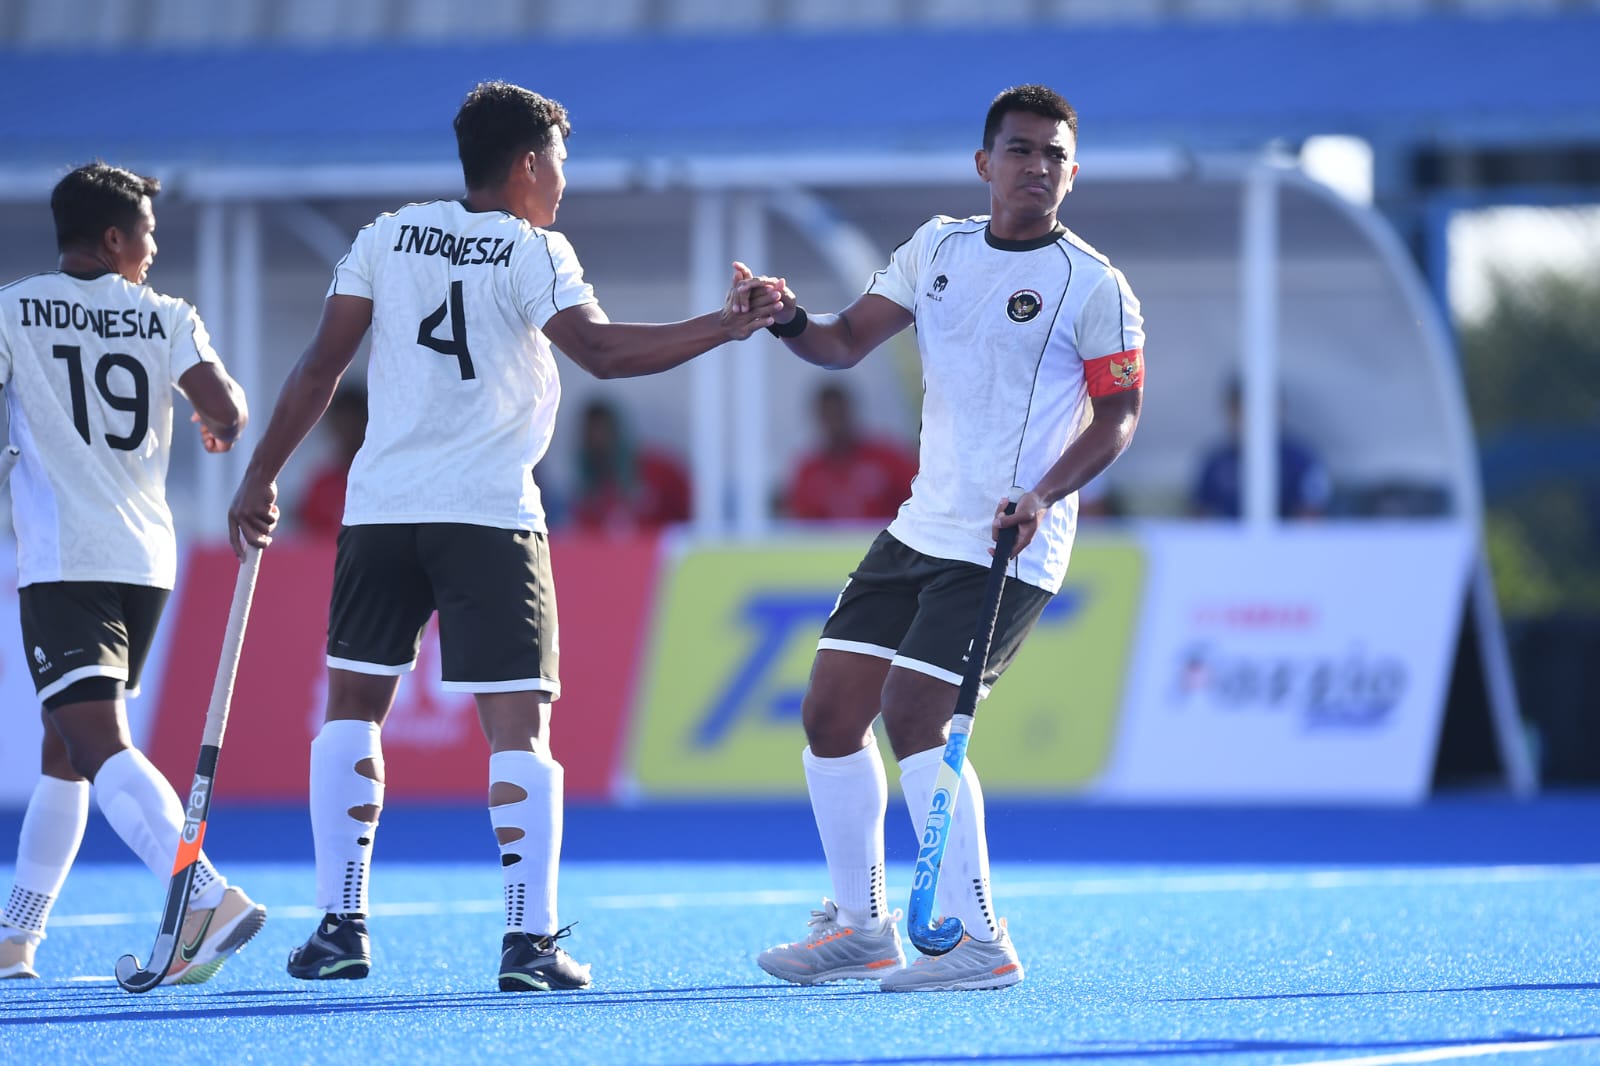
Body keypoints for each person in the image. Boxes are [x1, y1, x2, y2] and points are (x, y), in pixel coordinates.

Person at [225, 81, 781, 993]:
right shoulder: (533, 250)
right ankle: (528, 939)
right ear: (527, 163)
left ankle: (339, 925)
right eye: (559, 163)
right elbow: (603, 354)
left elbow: (320, 366)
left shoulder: (385, 235)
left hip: (381, 511)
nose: (563, 182)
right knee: (520, 727)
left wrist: (260, 475)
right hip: (487, 514)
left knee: (351, 709)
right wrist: (727, 325)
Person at [741, 85, 1145, 992]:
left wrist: (1044, 493)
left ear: (1073, 173)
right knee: (830, 712)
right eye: (1020, 149)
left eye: (1054, 155)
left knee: (915, 714)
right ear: (984, 162)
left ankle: (981, 941)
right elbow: (843, 341)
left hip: (1011, 538)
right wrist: (788, 317)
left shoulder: (1095, 285)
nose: (1037, 167)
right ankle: (862, 928)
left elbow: (1120, 416)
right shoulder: (937, 248)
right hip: (921, 527)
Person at [0, 162, 260, 983]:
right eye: (147, 233)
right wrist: (216, 427)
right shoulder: (166, 314)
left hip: (63, 558)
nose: (152, 250)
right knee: (64, 747)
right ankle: (16, 935)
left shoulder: (12, 308)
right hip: (145, 562)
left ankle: (203, 893)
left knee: (95, 741)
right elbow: (227, 408)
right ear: (113, 238)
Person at [1190, 377, 1331, 519]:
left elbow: (1311, 519)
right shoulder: (1215, 463)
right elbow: (1201, 520)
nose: (1248, 419)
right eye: (1239, 411)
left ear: (1279, 409)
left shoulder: (1300, 461)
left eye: (1256, 410)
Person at [783, 382, 917, 522]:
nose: (835, 423)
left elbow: (919, 497)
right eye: (828, 416)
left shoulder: (887, 458)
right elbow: (800, 522)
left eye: (838, 414)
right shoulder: (808, 471)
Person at [570, 398, 690, 533]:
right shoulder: (587, 494)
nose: (599, 442)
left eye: (604, 432)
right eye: (592, 436)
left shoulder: (659, 472)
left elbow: (694, 512)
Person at [296, 384, 367, 536]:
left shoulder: (381, 481)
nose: (348, 429)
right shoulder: (321, 485)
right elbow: (306, 537)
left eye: (354, 421)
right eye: (343, 421)